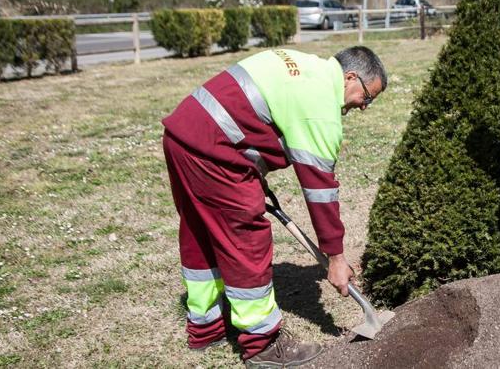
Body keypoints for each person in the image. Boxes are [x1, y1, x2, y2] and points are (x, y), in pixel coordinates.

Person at [161, 46, 388, 367]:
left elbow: (251, 115)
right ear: (351, 77)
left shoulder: (304, 63)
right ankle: (262, 344)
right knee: (246, 241)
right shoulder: (320, 105)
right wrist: (336, 258)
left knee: (200, 234)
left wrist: (250, 167)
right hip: (215, 152)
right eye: (367, 97)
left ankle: (205, 326)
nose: (364, 107)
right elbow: (320, 191)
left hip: (182, 135)